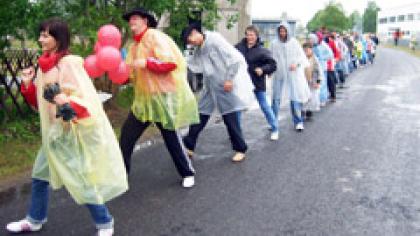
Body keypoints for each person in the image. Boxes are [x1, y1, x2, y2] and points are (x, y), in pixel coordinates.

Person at [6, 18, 128, 236]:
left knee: (82, 179)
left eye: (45, 35)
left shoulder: (69, 63)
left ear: (58, 38)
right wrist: (27, 86)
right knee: (40, 177)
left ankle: (105, 222)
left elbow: (86, 100)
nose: (40, 39)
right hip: (53, 133)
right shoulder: (45, 64)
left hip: (71, 133)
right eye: (40, 34)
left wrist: (65, 102)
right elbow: (41, 104)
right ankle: (34, 220)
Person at [120, 7, 199, 188]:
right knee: (127, 135)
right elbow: (131, 73)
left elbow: (170, 63)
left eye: (135, 18)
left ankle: (187, 172)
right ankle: (122, 173)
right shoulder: (133, 47)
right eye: (130, 19)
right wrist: (121, 76)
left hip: (162, 97)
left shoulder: (155, 37)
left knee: (171, 136)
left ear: (145, 21)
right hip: (144, 101)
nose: (131, 21)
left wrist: (147, 62)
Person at [181, 23, 254, 162]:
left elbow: (234, 59)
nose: (191, 41)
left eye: (191, 38)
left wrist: (229, 79)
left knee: (230, 119)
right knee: (199, 115)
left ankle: (240, 148)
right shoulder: (198, 49)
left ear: (196, 32)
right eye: (189, 41)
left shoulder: (215, 39)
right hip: (210, 88)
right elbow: (194, 64)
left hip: (224, 86)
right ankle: (189, 146)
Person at [235, 25, 278, 140]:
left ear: (257, 36)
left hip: (257, 83)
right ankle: (237, 133)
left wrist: (262, 69)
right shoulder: (238, 47)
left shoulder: (262, 50)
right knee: (237, 108)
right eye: (248, 34)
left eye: (252, 35)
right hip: (242, 84)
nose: (250, 37)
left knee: (264, 106)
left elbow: (273, 65)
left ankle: (275, 129)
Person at [270, 22, 311, 131]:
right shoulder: (274, 43)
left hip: (293, 74)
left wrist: (296, 64)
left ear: (288, 31)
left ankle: (298, 121)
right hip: (279, 73)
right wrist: (270, 69)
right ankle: (273, 121)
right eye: (280, 31)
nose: (282, 33)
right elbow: (271, 57)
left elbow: (301, 57)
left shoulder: (294, 42)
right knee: (276, 98)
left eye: (284, 31)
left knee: (294, 98)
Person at [302, 42, 322, 119]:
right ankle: (303, 111)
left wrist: (318, 82)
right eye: (304, 50)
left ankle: (308, 111)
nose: (306, 52)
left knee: (312, 97)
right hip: (303, 81)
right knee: (304, 97)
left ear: (311, 50)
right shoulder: (302, 59)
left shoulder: (314, 59)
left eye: (307, 50)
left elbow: (319, 71)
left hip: (312, 81)